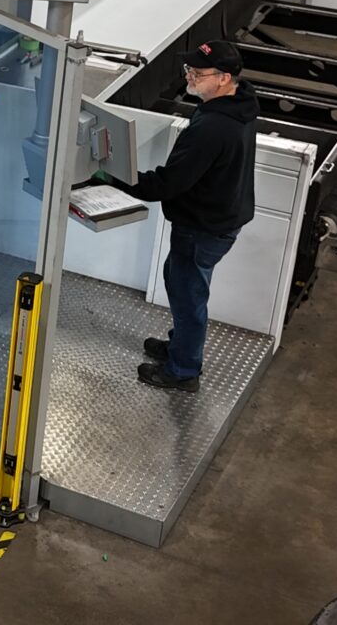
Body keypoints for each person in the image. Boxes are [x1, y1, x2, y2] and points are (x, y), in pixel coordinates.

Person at [110, 41, 259, 393]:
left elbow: (166, 184)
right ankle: (181, 347)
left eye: (198, 73)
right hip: (216, 217)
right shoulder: (237, 103)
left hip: (203, 226)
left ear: (224, 78)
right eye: (188, 70)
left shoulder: (214, 127)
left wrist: (110, 175)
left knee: (188, 295)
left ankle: (183, 371)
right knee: (178, 281)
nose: (189, 77)